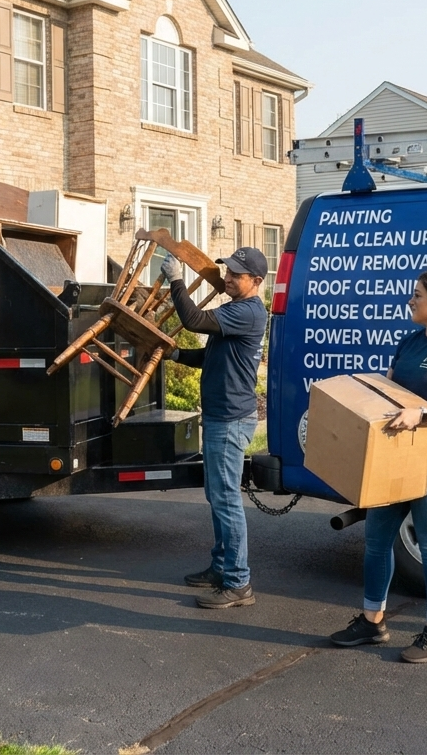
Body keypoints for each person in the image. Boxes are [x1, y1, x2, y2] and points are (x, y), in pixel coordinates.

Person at [330, 269, 427, 663]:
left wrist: (421, 414)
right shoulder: (410, 342)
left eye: (418, 295)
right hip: (398, 456)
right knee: (377, 539)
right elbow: (390, 392)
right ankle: (372, 622)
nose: (411, 301)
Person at [160, 246, 268, 609]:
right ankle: (221, 567)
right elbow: (211, 356)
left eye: (236, 274)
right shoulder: (237, 311)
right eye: (228, 271)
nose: (228, 278)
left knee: (226, 500)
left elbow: (193, 320)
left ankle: (238, 583)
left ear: (256, 281)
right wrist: (176, 354)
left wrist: (176, 280)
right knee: (218, 496)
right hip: (223, 417)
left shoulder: (246, 311)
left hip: (230, 419)